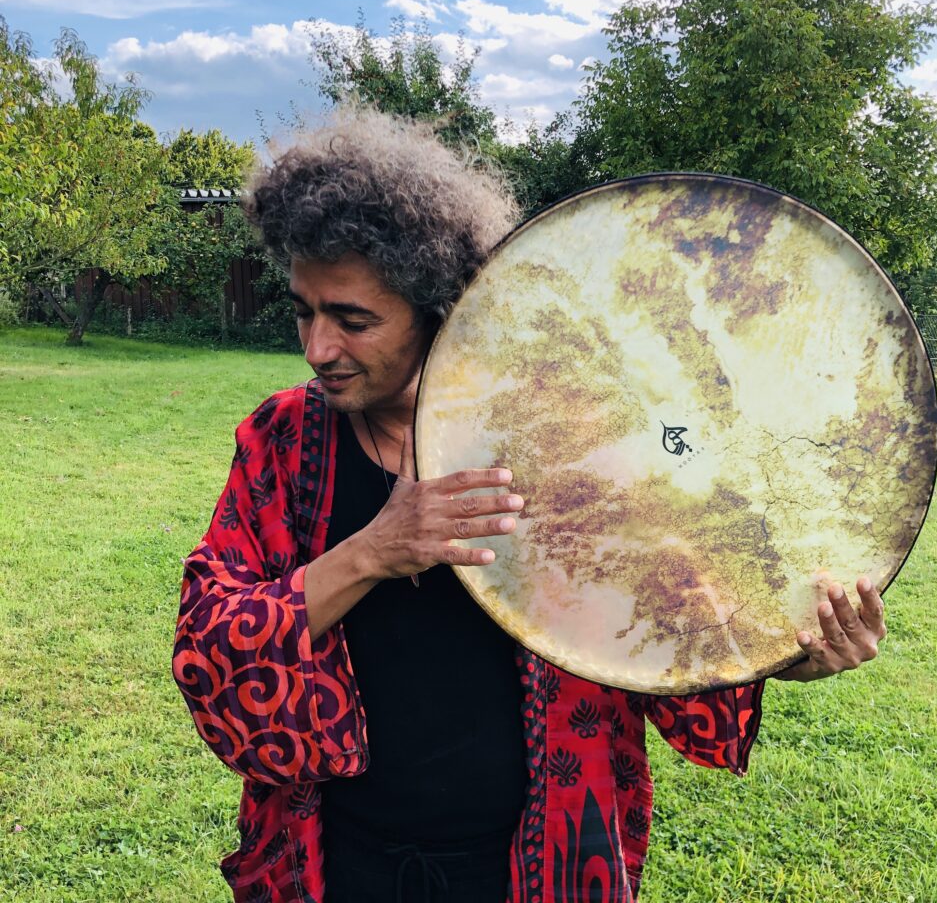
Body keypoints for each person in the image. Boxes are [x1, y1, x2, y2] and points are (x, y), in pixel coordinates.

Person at [172, 106, 887, 903]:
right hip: (336, 862)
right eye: (305, 310)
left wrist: (790, 655)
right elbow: (211, 648)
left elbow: (669, 619)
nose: (317, 348)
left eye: (353, 320)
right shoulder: (281, 441)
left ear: (438, 306)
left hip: (538, 865)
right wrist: (373, 551)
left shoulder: (565, 438)